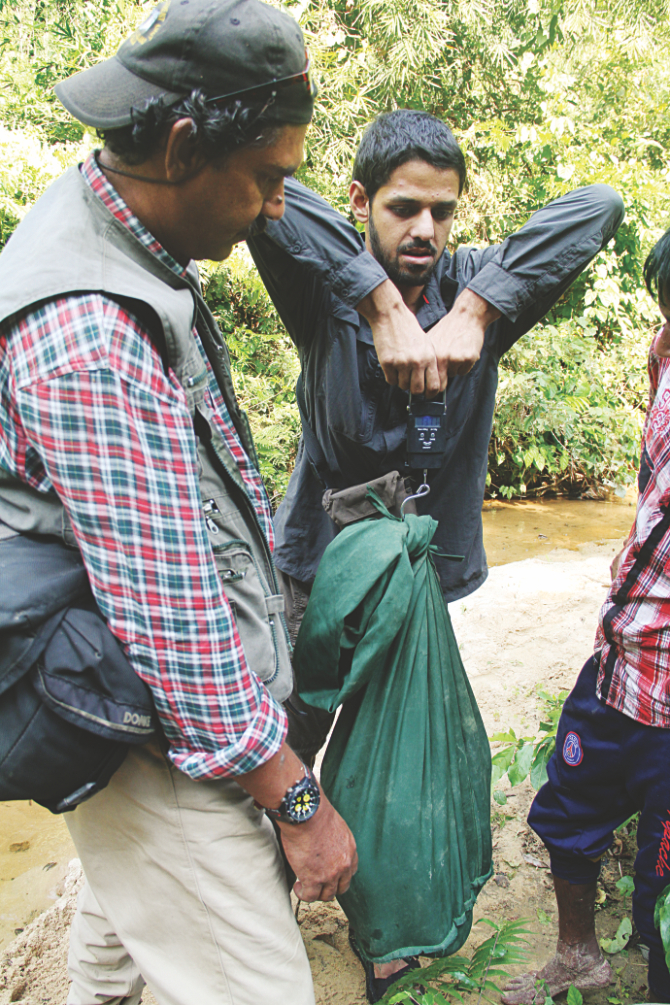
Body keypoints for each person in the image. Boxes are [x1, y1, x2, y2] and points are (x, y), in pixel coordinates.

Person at [0, 3, 358, 1004]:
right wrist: (294, 798)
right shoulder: (89, 329)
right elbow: (168, 616)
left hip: (131, 706)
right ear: (182, 143)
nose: (278, 210)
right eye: (270, 179)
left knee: (115, 931)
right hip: (150, 730)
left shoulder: (115, 231)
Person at [246, 109, 625, 1000]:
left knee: (396, 760)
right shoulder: (320, 290)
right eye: (403, 207)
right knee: (284, 746)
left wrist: (475, 308)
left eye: (442, 212)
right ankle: (265, 916)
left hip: (413, 587)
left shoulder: (474, 291)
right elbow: (267, 191)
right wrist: (375, 299)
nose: (424, 230)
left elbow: (599, 206)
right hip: (314, 574)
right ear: (361, 204)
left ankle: (389, 951)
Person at [501, 228, 670, 1005]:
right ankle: (583, 955)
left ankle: (638, 964)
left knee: (657, 877)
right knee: (571, 806)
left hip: (649, 662)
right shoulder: (666, 362)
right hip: (627, 662)